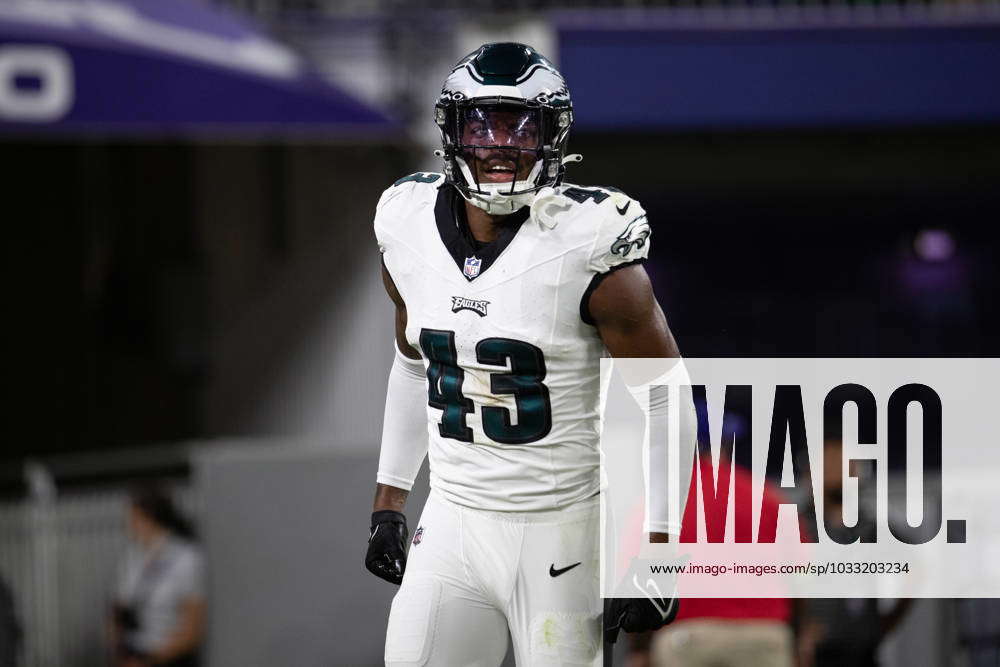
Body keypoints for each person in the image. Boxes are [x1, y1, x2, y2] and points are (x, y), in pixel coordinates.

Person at [364, 42, 698, 666]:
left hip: (562, 531)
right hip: (455, 522)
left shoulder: (590, 243)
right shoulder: (405, 223)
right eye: (482, 123)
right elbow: (413, 363)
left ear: (554, 135)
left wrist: (661, 551)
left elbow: (665, 397)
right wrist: (389, 502)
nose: (500, 143)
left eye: (523, 125)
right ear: (452, 132)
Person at [109, 486, 205, 667]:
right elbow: (119, 609)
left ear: (149, 517)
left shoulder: (186, 559)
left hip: (167, 659)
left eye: (133, 518)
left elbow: (192, 630)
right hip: (133, 654)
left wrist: (150, 661)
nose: (129, 525)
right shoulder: (134, 558)